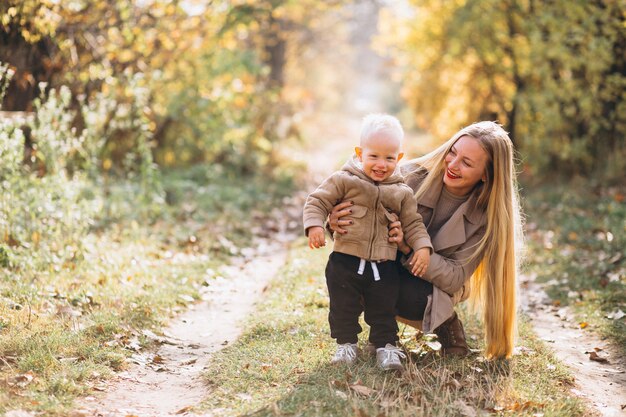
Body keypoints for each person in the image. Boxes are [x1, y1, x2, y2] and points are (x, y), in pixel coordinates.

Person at [328, 121, 523, 359]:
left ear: (485, 175)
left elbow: (453, 279)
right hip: (385, 264)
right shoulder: (406, 176)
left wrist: (409, 247)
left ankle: (445, 321)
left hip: (432, 286)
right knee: (347, 271)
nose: (452, 164)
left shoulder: (487, 220)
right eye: (453, 152)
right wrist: (334, 223)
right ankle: (382, 335)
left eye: (467, 162)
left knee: (413, 298)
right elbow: (354, 197)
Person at [303, 114, 433, 371]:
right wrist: (315, 225)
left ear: (399, 158)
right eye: (373, 156)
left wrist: (423, 247)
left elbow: (414, 223)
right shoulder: (344, 180)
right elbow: (317, 200)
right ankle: (346, 344)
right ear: (360, 153)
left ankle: (385, 346)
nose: (381, 164)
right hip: (344, 260)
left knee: (384, 307)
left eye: (389, 158)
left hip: (383, 265)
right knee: (343, 306)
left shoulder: (402, 192)